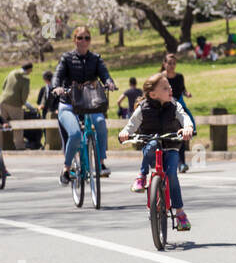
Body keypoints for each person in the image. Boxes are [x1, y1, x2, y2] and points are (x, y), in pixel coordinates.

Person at [119, 72, 195, 231]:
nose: (170, 90)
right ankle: (141, 176)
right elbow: (131, 125)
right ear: (153, 94)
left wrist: (187, 127)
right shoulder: (143, 108)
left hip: (172, 146)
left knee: (172, 175)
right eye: (165, 88)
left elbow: (184, 117)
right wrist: (124, 133)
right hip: (152, 146)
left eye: (169, 87)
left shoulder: (174, 105)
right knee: (152, 143)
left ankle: (180, 212)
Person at [53, 26, 118, 184]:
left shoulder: (96, 59)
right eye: (80, 38)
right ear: (74, 39)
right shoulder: (66, 58)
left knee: (101, 123)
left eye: (87, 38)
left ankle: (101, 162)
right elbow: (58, 75)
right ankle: (67, 168)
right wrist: (56, 87)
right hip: (68, 104)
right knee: (75, 134)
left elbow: (105, 74)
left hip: (90, 104)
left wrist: (109, 83)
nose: (83, 41)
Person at [161, 54, 194, 172]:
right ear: (164, 64)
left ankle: (182, 163)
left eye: (174, 63)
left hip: (178, 105)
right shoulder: (160, 78)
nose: (171, 66)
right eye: (169, 63)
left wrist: (187, 93)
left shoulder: (179, 76)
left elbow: (182, 89)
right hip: (164, 106)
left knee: (182, 132)